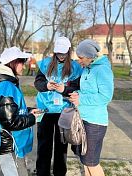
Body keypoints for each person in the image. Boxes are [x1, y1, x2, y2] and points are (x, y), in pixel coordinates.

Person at [0, 46, 40, 176]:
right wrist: (32, 118)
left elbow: (8, 110)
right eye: (21, 62)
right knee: (16, 172)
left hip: (8, 144)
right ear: (12, 63)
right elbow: (11, 122)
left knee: (6, 171)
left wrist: (29, 111)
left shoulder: (5, 83)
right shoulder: (6, 86)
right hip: (10, 144)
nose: (24, 66)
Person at [34, 36, 83, 176]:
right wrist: (46, 86)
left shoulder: (75, 67)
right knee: (44, 145)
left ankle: (60, 172)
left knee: (61, 146)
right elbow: (38, 83)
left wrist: (64, 90)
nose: (61, 56)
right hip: (45, 110)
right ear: (55, 52)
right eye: (59, 53)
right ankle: (42, 172)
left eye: (64, 53)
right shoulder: (45, 64)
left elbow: (76, 88)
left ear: (68, 51)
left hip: (64, 111)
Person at [69, 39, 114, 176]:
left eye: (81, 58)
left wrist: (81, 99)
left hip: (95, 123)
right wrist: (76, 94)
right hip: (84, 119)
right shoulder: (89, 68)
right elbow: (88, 91)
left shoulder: (102, 70)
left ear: (89, 56)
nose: (79, 61)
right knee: (85, 160)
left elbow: (105, 97)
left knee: (91, 162)